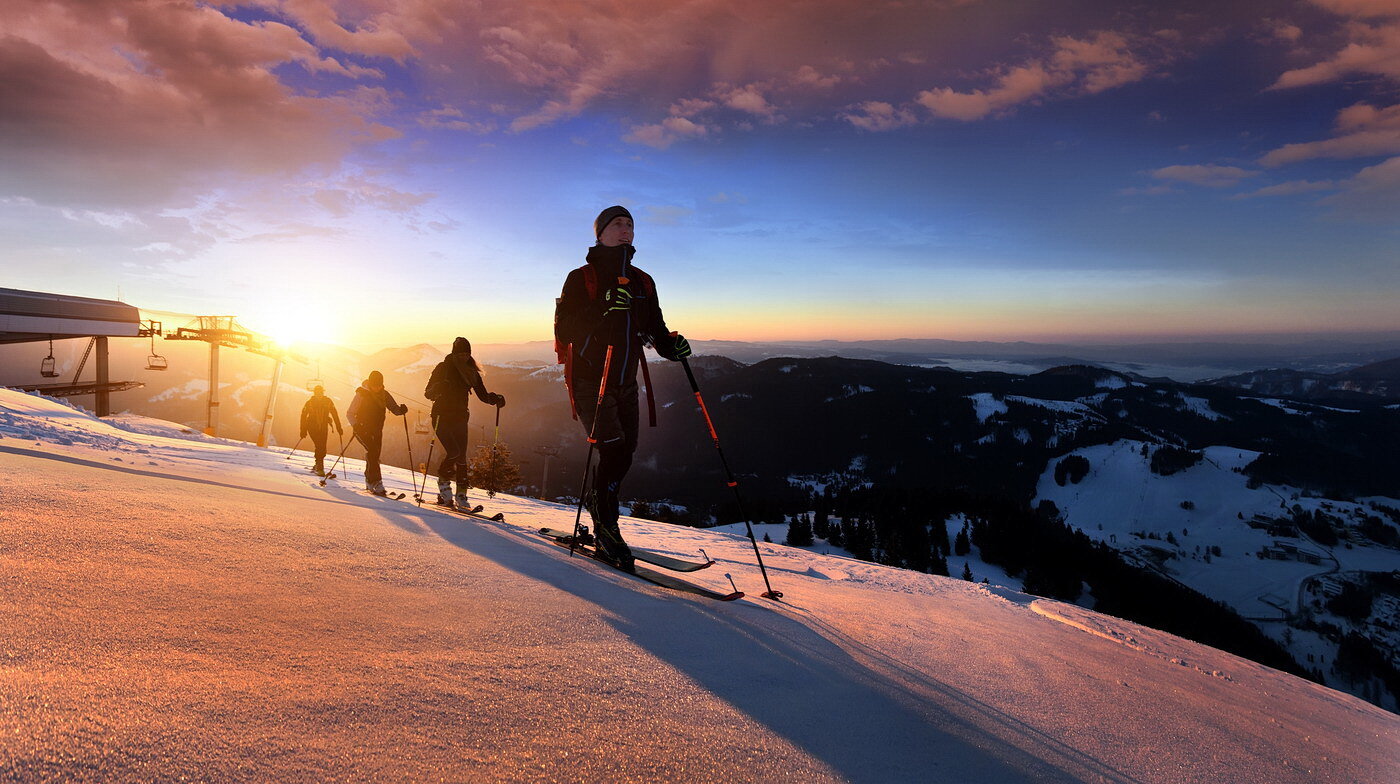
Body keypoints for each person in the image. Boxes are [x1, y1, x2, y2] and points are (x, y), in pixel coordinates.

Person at [553, 205, 692, 571]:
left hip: (626, 382)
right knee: (613, 452)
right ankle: (606, 526)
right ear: (599, 233)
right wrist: (603, 306)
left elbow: (655, 329)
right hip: (589, 382)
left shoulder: (644, 281)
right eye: (617, 223)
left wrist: (671, 347)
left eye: (630, 224)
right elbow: (565, 327)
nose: (625, 228)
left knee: (626, 452)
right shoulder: (582, 278)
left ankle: (601, 510)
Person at [426, 336, 505, 509]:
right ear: (454, 354)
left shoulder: (471, 372)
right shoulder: (443, 368)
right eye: (460, 354)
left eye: (466, 354)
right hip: (441, 416)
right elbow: (428, 393)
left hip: (460, 417)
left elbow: (483, 395)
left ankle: (461, 495)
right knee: (454, 452)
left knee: (461, 457)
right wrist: (439, 387)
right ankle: (443, 484)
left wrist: (495, 399)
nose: (464, 357)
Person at [346, 370, 407, 495]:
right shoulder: (362, 394)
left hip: (377, 430)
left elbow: (394, 408)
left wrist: (401, 410)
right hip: (362, 430)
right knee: (373, 452)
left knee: (374, 454)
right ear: (370, 383)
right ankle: (376, 482)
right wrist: (356, 426)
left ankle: (369, 480)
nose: (377, 388)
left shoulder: (384, 394)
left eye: (379, 385)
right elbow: (350, 413)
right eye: (375, 385)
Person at [299, 385, 343, 476]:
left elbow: (335, 414)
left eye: (320, 393)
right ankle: (320, 467)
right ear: (314, 393)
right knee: (320, 446)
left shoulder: (325, 402)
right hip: (312, 428)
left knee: (321, 446)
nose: (319, 394)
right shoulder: (311, 403)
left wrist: (339, 427)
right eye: (317, 393)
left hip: (323, 428)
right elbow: (303, 416)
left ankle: (318, 464)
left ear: (323, 392)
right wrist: (303, 430)